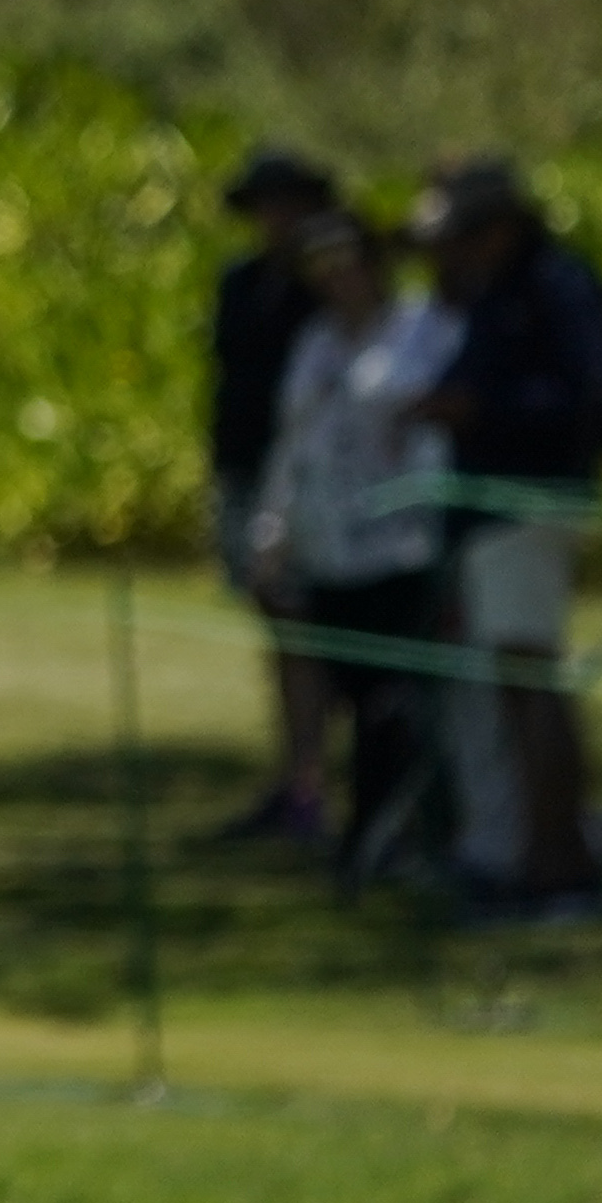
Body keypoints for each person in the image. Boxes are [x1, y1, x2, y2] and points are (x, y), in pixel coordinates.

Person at [410, 156, 602, 922]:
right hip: (491, 509)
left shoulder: (555, 288)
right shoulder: (497, 290)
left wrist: (481, 410)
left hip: (528, 505)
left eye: (462, 238)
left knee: (531, 679)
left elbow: (584, 394)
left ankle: (559, 867)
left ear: (500, 229)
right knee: (517, 682)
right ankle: (532, 854)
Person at [245, 209, 459, 884]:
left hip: (403, 546)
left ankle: (400, 835)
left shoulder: (423, 329)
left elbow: (439, 433)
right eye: (321, 265)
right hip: (328, 548)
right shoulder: (316, 343)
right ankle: (370, 835)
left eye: (347, 259)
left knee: (397, 701)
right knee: (350, 693)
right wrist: (270, 532)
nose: (337, 275)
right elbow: (293, 445)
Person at [207, 143, 340, 845]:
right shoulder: (241, 283)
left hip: (307, 480)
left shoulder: (326, 289)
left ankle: (313, 781)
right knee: (279, 622)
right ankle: (298, 777)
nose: (277, 217)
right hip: (247, 470)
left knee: (305, 623)